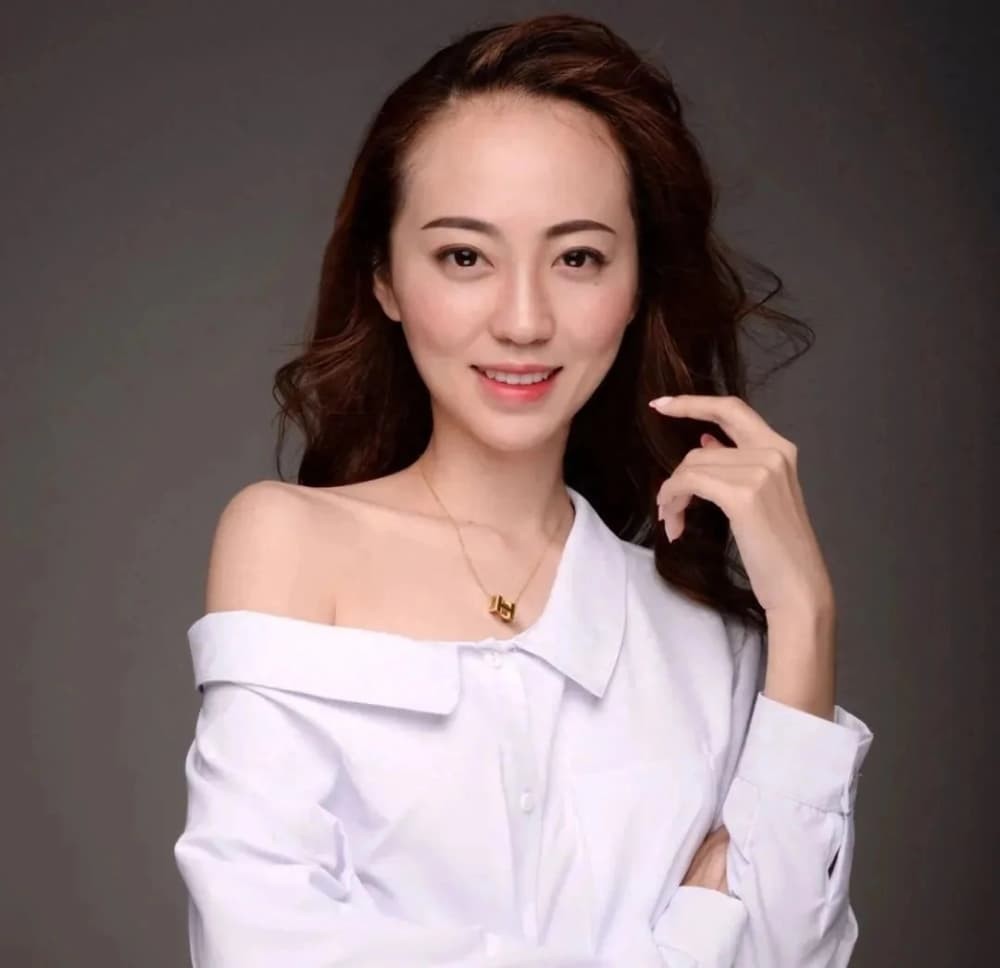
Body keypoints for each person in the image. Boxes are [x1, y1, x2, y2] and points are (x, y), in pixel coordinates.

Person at [173, 12, 874, 967]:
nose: (524, 318)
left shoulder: (708, 639)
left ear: (636, 286)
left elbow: (794, 957)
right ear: (385, 277)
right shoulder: (289, 542)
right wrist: (696, 936)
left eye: (578, 257)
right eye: (465, 256)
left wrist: (807, 617)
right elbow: (260, 947)